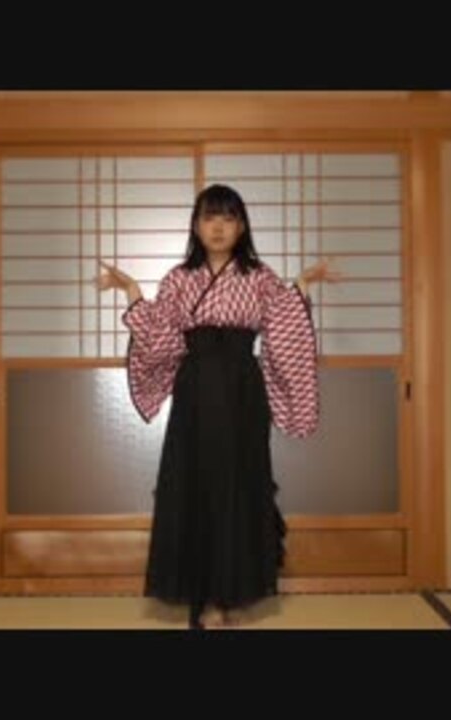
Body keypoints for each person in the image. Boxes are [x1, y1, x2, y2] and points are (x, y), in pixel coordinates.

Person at [96, 184, 341, 629]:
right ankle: (203, 598)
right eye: (210, 217)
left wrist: (303, 283)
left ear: (242, 227)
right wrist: (130, 289)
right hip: (195, 390)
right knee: (196, 483)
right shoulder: (178, 279)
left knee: (240, 483)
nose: (219, 227)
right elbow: (162, 340)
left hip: (243, 390)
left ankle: (231, 594)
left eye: (229, 218)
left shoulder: (260, 277)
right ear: (196, 225)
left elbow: (284, 324)